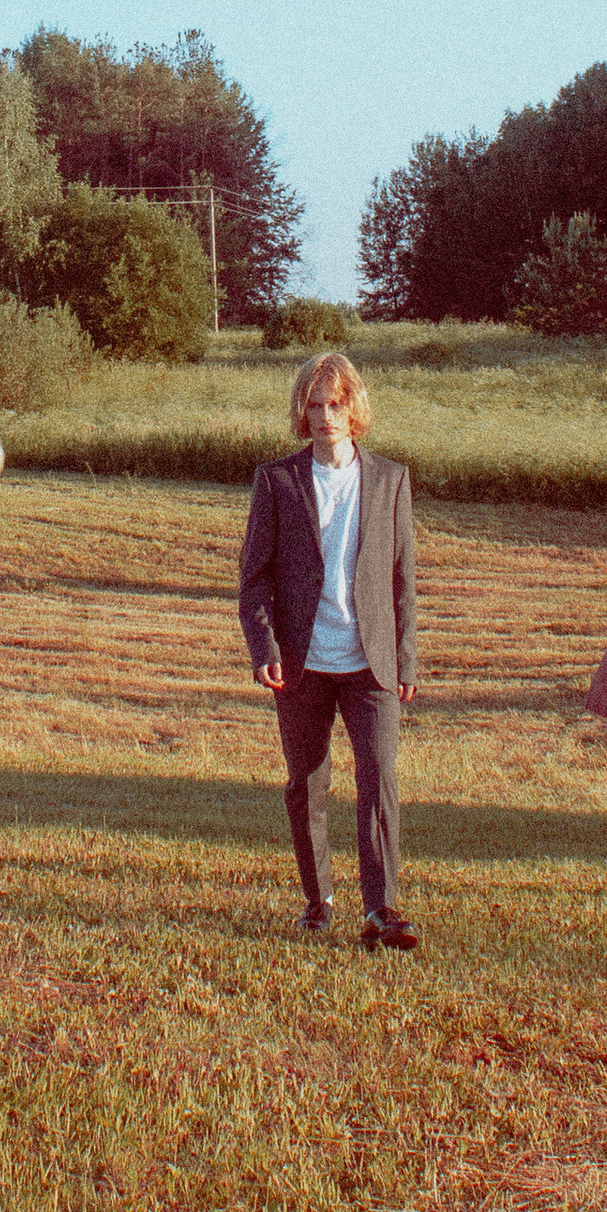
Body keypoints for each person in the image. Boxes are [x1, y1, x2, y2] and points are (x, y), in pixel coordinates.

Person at [238, 350, 419, 948]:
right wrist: (262, 644)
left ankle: (382, 910)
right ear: (302, 411)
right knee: (307, 783)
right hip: (301, 664)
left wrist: (406, 660)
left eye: (336, 403)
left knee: (379, 779)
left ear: (353, 407)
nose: (325, 416)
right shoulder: (277, 480)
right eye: (314, 405)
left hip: (372, 664)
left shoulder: (391, 479)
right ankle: (319, 900)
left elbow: (402, 580)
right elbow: (255, 575)